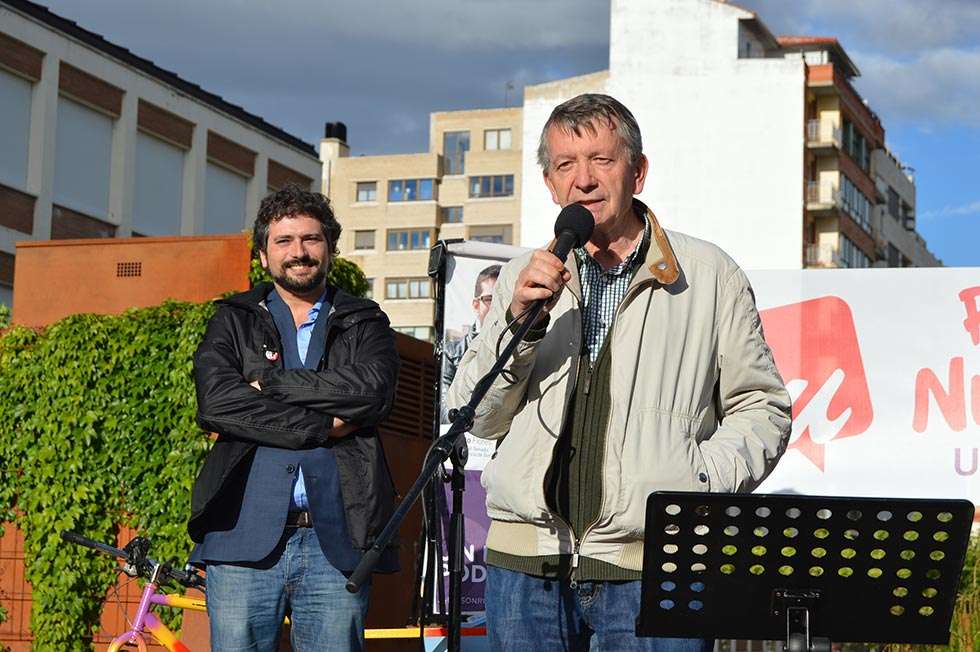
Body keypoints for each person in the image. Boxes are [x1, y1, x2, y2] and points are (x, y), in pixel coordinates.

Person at [448, 94, 792, 651]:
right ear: (550, 184)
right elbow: (478, 417)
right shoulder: (522, 276)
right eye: (565, 165)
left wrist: (694, 484)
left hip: (653, 566)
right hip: (526, 568)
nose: (582, 179)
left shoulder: (707, 275)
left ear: (638, 170)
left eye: (600, 160)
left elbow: (763, 408)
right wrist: (519, 322)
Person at [188, 185, 400, 651]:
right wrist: (324, 426)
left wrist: (275, 384)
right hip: (241, 538)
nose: (298, 252)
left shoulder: (365, 321)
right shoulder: (233, 320)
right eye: (284, 241)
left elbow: (371, 392)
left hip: (338, 542)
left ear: (330, 248)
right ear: (264, 255)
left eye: (311, 239)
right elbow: (218, 403)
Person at [441, 263, 501, 421]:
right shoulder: (453, 351)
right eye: (489, 299)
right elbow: (444, 408)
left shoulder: (519, 346)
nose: (497, 305)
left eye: (502, 298)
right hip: (465, 439)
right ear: (476, 304)